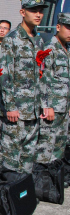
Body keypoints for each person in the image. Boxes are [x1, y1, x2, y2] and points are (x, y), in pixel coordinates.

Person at [0, 0, 47, 174]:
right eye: (34, 10)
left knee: (28, 157)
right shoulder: (12, 39)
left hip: (33, 110)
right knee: (10, 159)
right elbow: (6, 75)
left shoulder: (39, 41)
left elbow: (42, 75)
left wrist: (44, 103)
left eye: (41, 11)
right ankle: (5, 199)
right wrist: (10, 106)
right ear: (22, 12)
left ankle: (22, 197)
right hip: (16, 111)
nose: (38, 14)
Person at [37, 13, 70, 169]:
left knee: (60, 147)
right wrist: (46, 105)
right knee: (46, 147)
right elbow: (42, 79)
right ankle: (42, 182)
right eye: (68, 28)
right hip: (52, 109)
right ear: (58, 27)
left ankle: (53, 183)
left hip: (64, 108)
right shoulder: (49, 48)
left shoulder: (68, 49)